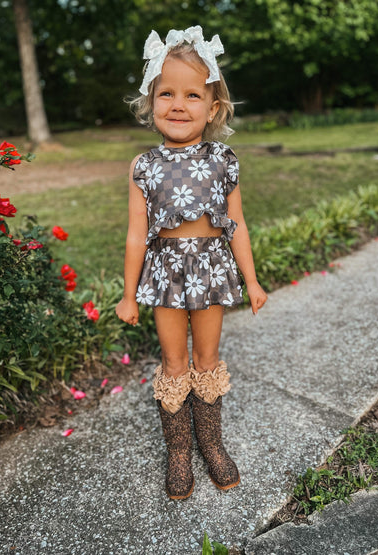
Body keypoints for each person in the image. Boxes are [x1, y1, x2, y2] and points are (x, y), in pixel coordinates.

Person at [116, 25, 267, 500]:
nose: (178, 105)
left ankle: (212, 444)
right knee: (174, 361)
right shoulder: (144, 166)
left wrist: (252, 281)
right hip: (165, 274)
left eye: (192, 95)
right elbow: (136, 234)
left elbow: (236, 224)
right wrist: (128, 294)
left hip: (211, 271)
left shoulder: (223, 159)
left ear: (213, 107)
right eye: (166, 93)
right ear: (150, 100)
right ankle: (179, 452)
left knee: (207, 358)